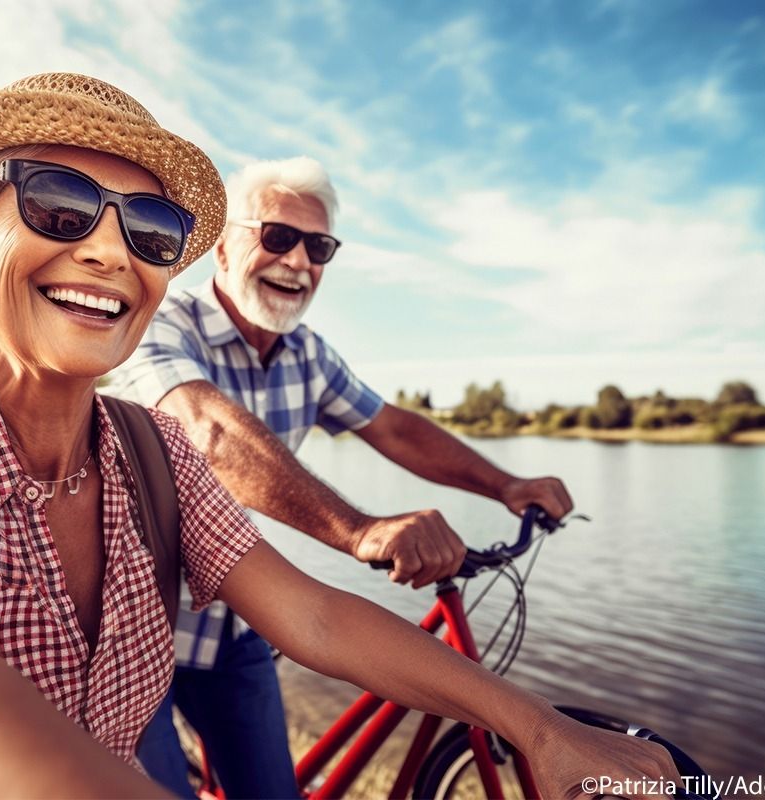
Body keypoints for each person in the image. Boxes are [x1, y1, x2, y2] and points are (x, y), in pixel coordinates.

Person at [0, 74, 676, 799]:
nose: (108, 249)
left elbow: (317, 615)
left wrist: (535, 725)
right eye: (59, 205)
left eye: (151, 229)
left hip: (226, 646)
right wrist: (361, 527)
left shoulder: (150, 457)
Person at [112, 156, 577, 797]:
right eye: (278, 236)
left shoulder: (309, 355)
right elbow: (208, 434)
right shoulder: (160, 322)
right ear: (222, 248)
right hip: (131, 625)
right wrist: (360, 530)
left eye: (319, 247)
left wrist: (505, 485)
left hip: (236, 622)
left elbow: (393, 428)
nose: (298, 261)